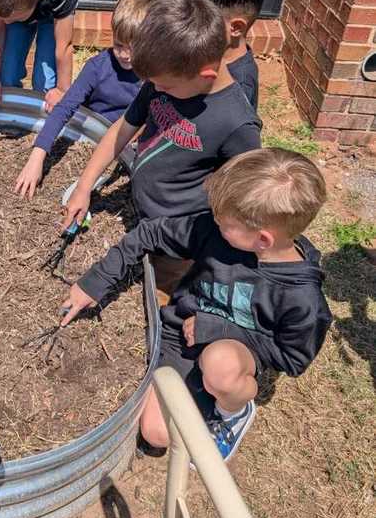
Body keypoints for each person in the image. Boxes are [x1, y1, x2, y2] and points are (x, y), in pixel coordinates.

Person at [62, 148, 331, 462]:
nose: (213, 220)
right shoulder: (216, 232)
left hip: (232, 355)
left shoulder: (303, 299)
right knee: (156, 433)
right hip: (182, 338)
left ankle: (231, 412)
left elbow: (293, 359)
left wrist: (220, 329)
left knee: (219, 364)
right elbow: (150, 233)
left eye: (223, 221)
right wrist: (96, 281)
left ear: (262, 240)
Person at [62, 0, 262, 297]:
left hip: (175, 241)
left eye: (164, 85)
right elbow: (122, 128)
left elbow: (244, 204)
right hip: (139, 212)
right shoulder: (165, 78)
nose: (154, 90)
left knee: (162, 291)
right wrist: (84, 186)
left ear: (206, 75)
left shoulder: (237, 125)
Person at [14, 0, 154, 199]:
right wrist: (37, 156)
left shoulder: (154, 74)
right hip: (89, 136)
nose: (125, 55)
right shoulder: (98, 67)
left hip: (125, 144)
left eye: (133, 48)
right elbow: (65, 108)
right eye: (119, 45)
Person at [194, 0, 266, 108]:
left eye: (203, 19)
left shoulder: (239, 87)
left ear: (236, 28)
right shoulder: (207, 52)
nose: (192, 23)